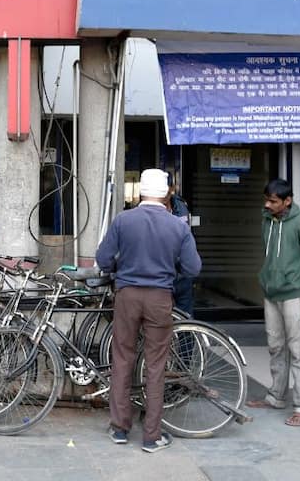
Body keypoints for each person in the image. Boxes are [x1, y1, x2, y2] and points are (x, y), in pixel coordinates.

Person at [96, 168, 202, 453]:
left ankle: (120, 428)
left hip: (127, 295)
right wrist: (170, 270)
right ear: (166, 193)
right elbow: (193, 268)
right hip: (160, 297)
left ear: (141, 192)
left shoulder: (123, 220)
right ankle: (152, 436)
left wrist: (120, 267)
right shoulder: (178, 226)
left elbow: (103, 258)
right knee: (156, 364)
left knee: (122, 359)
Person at [246, 179, 300, 427]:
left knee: (298, 349)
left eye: (273, 201)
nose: (267, 205)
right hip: (271, 293)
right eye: (266, 200)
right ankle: (276, 396)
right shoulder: (267, 221)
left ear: (287, 201)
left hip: (293, 293)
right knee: (275, 346)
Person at [166, 173, 194, 317]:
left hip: (181, 275)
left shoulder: (180, 206)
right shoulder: (146, 210)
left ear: (171, 189)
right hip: (161, 275)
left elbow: (186, 236)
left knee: (185, 317)